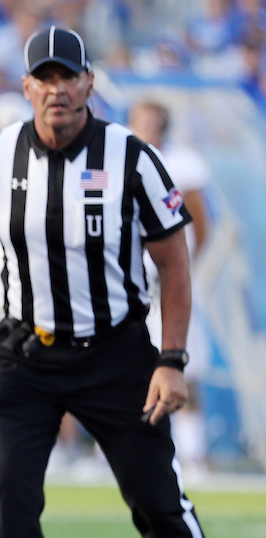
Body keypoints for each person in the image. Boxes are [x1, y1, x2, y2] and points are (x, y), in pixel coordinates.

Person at [0, 27, 227, 538]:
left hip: (115, 353)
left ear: (89, 83)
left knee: (157, 500)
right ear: (27, 88)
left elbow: (174, 260)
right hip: (22, 352)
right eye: (44, 78)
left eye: (68, 76)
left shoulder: (133, 157)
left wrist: (172, 359)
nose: (57, 90)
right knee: (9, 491)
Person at [127, 99, 214, 473]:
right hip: (132, 282)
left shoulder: (182, 164)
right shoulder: (121, 158)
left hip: (169, 281)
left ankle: (194, 450)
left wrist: (181, 269)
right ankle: (130, 447)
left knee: (182, 364)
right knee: (129, 366)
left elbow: (200, 226)